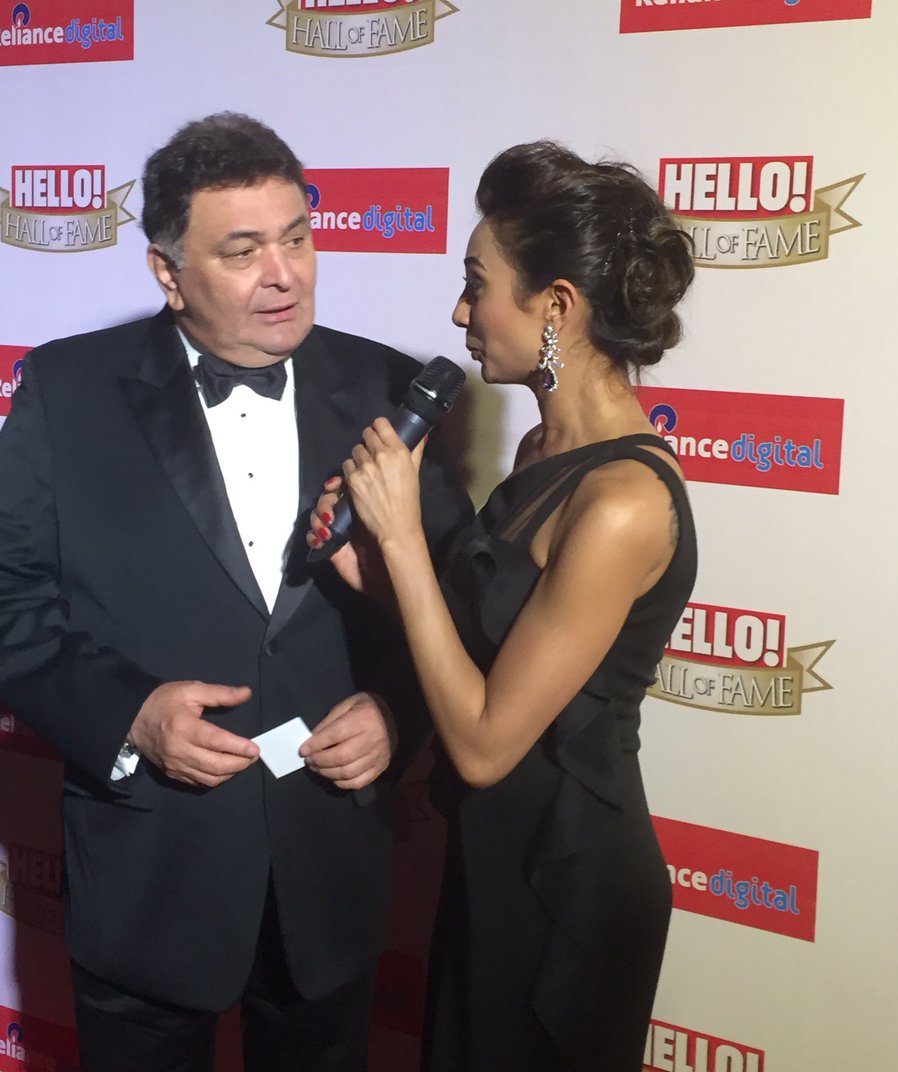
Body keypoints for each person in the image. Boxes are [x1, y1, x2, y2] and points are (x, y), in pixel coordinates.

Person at [0, 112, 472, 1072]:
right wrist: (130, 716)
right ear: (168, 273)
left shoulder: (389, 389)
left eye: (297, 237)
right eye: (243, 251)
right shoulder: (66, 389)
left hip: (327, 872)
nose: (284, 274)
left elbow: (457, 601)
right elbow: (10, 603)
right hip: (149, 879)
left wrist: (397, 710)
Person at [306, 140, 698, 1071]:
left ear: (556, 305)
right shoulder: (539, 457)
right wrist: (377, 574)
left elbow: (484, 744)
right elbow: (486, 651)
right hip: (491, 860)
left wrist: (405, 538)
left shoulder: (623, 503)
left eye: (477, 284)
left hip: (569, 886)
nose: (459, 312)